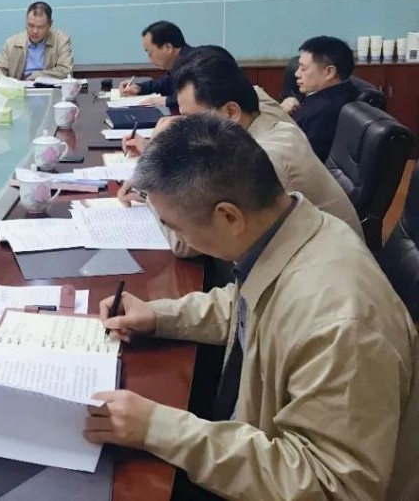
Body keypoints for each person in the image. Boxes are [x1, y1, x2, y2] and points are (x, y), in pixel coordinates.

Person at [86, 115, 418, 501]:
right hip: (258, 434)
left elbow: (331, 485)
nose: (176, 236)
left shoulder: (339, 325)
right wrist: (160, 315)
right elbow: (251, 306)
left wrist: (157, 428)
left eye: (173, 226)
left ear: (229, 216)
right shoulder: (291, 229)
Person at [120, 46, 363, 256]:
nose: (185, 128)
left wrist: (155, 170)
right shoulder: (257, 114)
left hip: (323, 274)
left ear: (231, 112)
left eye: (192, 119)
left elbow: (186, 246)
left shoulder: (259, 159)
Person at [285, 36, 357, 161]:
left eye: (303, 69)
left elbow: (295, 157)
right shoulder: (336, 92)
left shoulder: (324, 112)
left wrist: (280, 114)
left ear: (329, 72)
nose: (297, 74)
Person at [0, 1, 73, 81]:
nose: (35, 31)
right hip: (19, 87)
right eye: (31, 25)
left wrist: (37, 76)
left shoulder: (61, 40)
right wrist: (5, 80)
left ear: (50, 24)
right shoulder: (12, 43)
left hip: (48, 87)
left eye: (40, 27)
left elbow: (65, 70)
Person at [119, 21, 195, 107]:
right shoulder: (180, 62)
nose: (149, 60)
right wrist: (139, 88)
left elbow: (195, 98)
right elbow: (162, 84)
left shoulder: (197, 64)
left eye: (150, 53)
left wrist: (164, 101)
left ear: (168, 47)